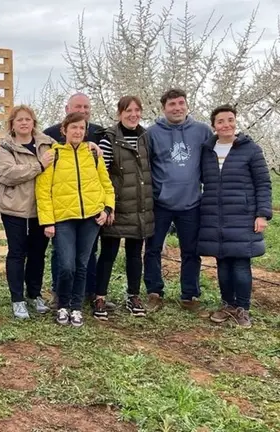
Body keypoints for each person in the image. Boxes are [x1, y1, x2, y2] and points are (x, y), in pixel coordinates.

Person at [36, 112, 114, 327]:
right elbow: (43, 191)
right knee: (66, 266)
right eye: (73, 127)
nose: (78, 131)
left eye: (81, 128)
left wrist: (107, 209)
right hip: (63, 219)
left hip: (90, 219)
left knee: (82, 265)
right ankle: (63, 305)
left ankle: (77, 307)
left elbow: (106, 185)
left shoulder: (93, 155)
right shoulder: (54, 155)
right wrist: (48, 221)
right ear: (64, 130)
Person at [199, 104, 271, 329]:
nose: (226, 125)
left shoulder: (251, 149)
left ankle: (243, 308)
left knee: (240, 264)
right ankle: (228, 304)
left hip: (242, 216)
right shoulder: (207, 150)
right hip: (215, 217)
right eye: (220, 121)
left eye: (230, 120)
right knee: (222, 264)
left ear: (235, 122)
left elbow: (263, 183)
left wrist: (262, 214)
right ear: (214, 125)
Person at [143, 88, 212, 314]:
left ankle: (189, 296)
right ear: (164, 108)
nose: (177, 108)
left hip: (191, 203)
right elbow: (145, 166)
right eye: (172, 104)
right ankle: (154, 293)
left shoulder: (202, 131)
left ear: (187, 105)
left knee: (191, 251)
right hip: (160, 203)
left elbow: (212, 160)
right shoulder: (152, 133)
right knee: (153, 249)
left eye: (181, 103)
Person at [42, 93, 106, 308]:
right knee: (63, 258)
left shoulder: (98, 133)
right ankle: (59, 294)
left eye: (86, 107)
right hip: (63, 212)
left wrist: (107, 207)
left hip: (89, 211)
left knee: (86, 256)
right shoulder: (50, 135)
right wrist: (48, 219)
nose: (83, 110)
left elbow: (104, 178)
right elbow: (44, 185)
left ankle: (86, 294)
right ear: (67, 110)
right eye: (78, 106)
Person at [95, 96, 154, 320]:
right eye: (128, 110)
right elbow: (101, 175)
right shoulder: (108, 139)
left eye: (137, 110)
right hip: (116, 207)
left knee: (135, 255)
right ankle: (100, 296)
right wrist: (107, 207)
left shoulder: (146, 137)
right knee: (108, 254)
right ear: (119, 113)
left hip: (140, 207)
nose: (133, 114)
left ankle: (133, 296)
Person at [0, 105, 55, 319]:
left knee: (38, 253)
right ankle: (17, 299)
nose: (23, 123)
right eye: (19, 119)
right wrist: (39, 166)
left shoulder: (47, 143)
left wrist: (92, 145)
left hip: (41, 209)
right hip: (14, 209)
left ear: (33, 122)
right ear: (12, 124)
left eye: (27, 119)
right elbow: (6, 174)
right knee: (17, 253)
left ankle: (34, 294)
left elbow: (68, 153)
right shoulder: (6, 147)